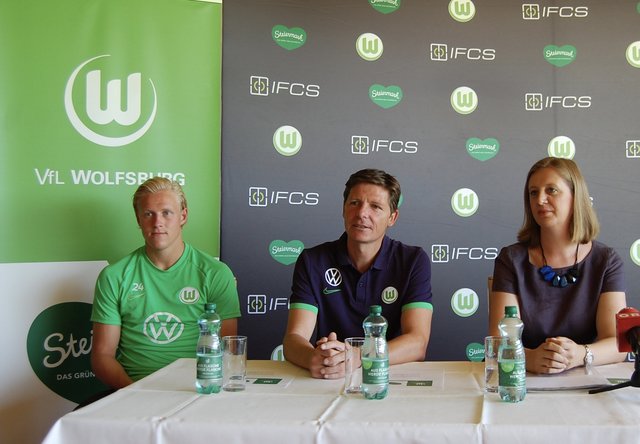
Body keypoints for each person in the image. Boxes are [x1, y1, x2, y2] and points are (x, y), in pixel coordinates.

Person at [282, 168, 433, 379]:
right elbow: (294, 338)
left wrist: (358, 356)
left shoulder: (413, 260)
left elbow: (417, 342)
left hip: (390, 376)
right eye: (354, 203)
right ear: (344, 209)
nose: (362, 213)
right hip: (331, 375)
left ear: (392, 217)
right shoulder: (313, 260)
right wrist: (314, 359)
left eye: (375, 207)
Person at [91, 177, 241, 388]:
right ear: (138, 219)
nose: (157, 222)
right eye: (148, 214)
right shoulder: (114, 276)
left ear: (183, 216)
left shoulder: (215, 273)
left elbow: (228, 352)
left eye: (166, 213)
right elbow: (102, 356)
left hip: (196, 390)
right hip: (132, 390)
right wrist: (135, 394)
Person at [489, 157, 627, 374]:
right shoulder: (511, 259)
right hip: (524, 380)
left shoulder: (606, 260)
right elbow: (499, 343)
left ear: (576, 197)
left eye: (551, 190)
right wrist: (532, 358)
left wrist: (581, 354)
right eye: (533, 192)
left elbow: (618, 343)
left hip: (585, 380)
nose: (540, 199)